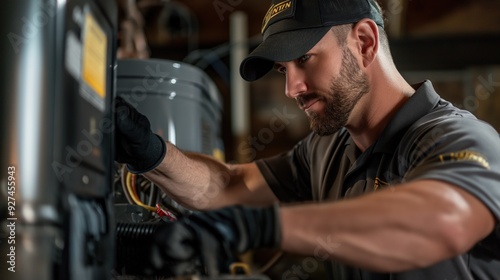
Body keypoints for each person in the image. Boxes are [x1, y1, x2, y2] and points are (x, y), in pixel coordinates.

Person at [114, 0, 500, 279]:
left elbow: (444, 220)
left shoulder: (451, 136)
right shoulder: (327, 149)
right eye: (283, 69)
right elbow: (230, 185)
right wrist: (150, 152)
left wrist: (262, 226)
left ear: (364, 42)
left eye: (305, 59)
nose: (291, 88)